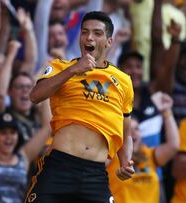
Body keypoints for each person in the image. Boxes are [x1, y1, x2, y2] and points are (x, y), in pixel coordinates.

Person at [25, 11, 135, 203]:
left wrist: (125, 161)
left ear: (109, 41)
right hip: (59, 166)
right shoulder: (60, 67)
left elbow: (126, 133)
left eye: (97, 33)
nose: (89, 37)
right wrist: (72, 70)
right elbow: (35, 95)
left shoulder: (124, 81)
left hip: (95, 174)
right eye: (85, 32)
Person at [107, 92, 179, 203]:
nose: (133, 134)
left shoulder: (149, 155)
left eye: (136, 129)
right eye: (128, 130)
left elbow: (173, 145)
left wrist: (166, 111)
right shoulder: (110, 156)